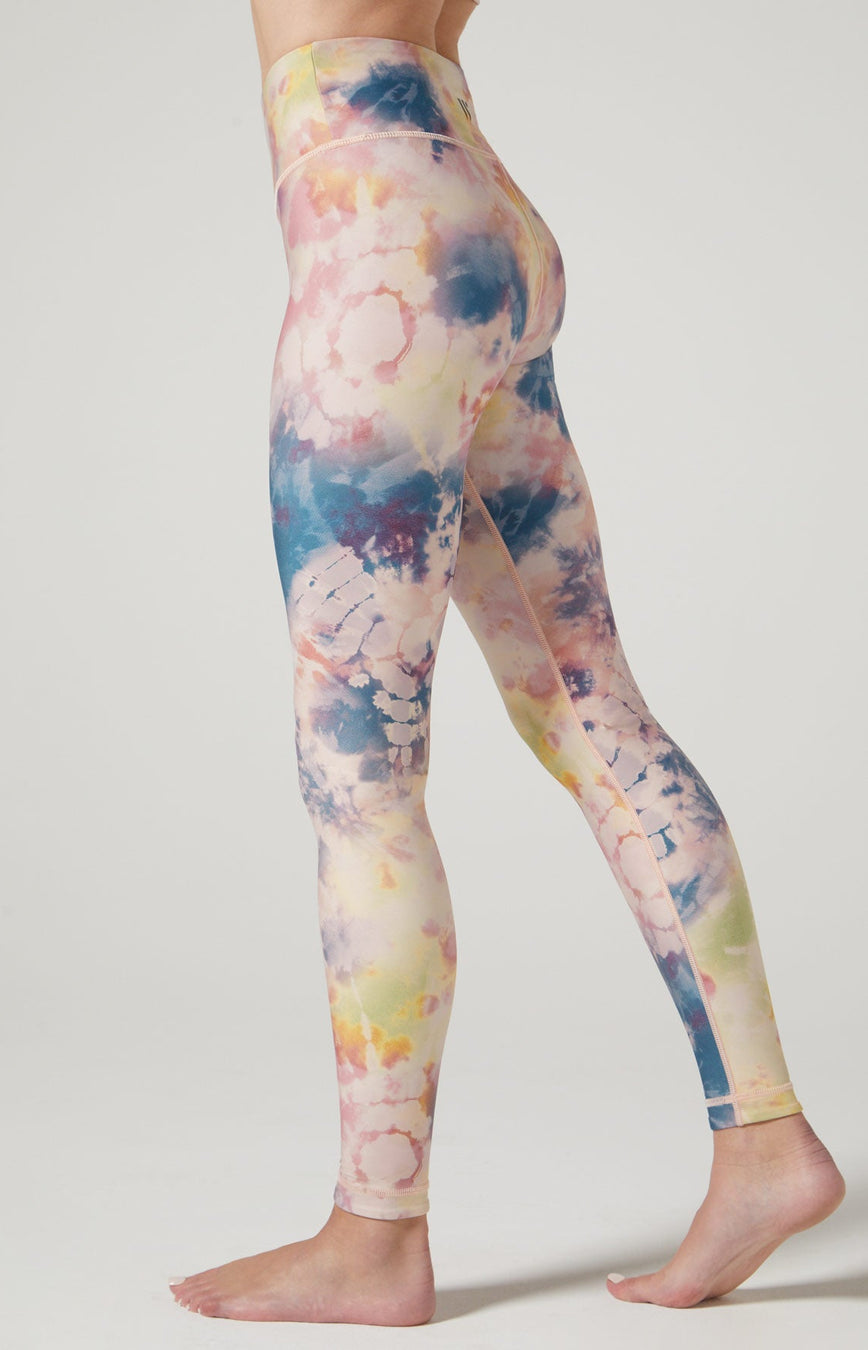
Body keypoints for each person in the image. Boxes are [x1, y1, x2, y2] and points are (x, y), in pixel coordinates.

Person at [168, 0, 846, 1325]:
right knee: (588, 698)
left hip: (372, 231)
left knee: (361, 779)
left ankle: (375, 1234)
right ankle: (766, 1139)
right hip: (484, 212)